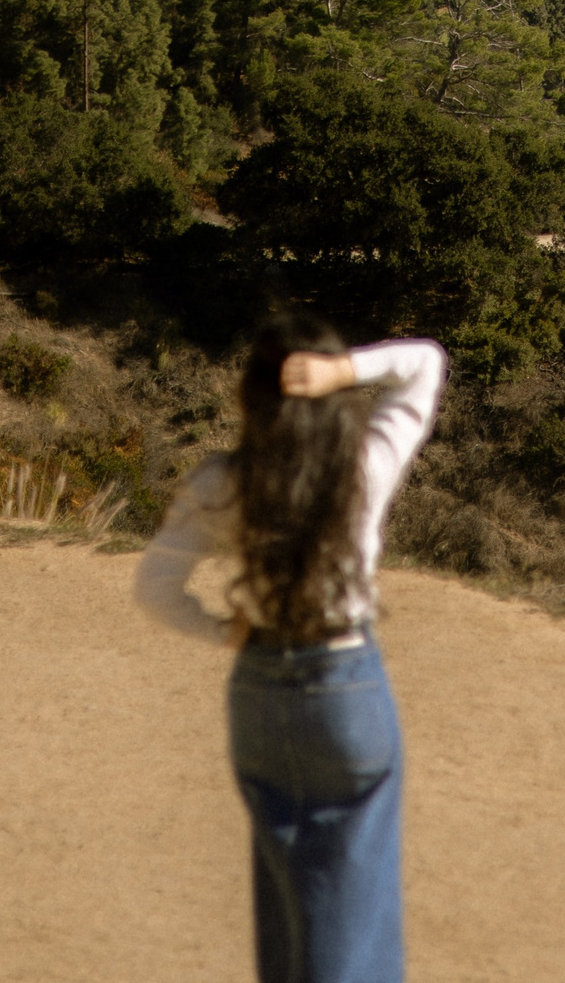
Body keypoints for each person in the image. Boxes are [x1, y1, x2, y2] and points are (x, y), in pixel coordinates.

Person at [134, 314, 448, 983]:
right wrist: (344, 371)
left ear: (250, 396)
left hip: (258, 690)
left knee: (284, 892)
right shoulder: (364, 465)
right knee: (352, 901)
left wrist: (224, 630)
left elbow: (154, 588)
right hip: (345, 682)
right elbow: (424, 363)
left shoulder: (223, 481)